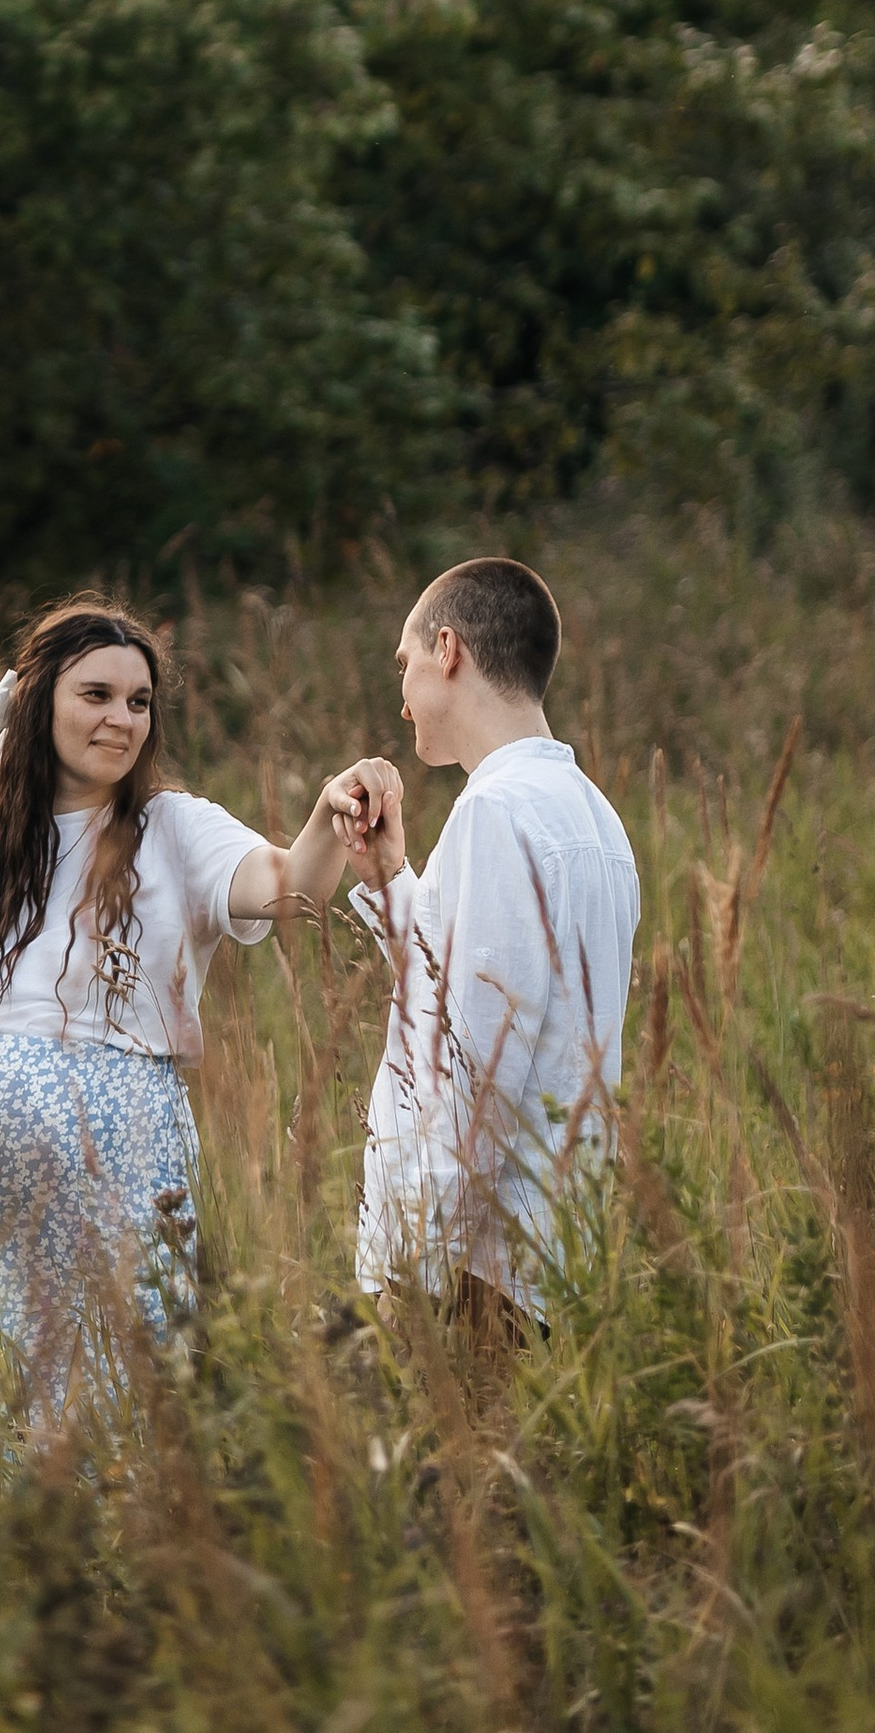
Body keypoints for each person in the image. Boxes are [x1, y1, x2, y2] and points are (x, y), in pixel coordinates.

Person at [0, 596, 364, 1439]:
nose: (121, 719)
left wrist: (329, 811)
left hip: (120, 1201)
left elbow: (291, 885)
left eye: (138, 702)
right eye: (96, 695)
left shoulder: (173, 829)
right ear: (38, 702)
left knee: (107, 1419)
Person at [329, 555, 638, 1338]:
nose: (401, 698)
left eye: (404, 665)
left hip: (479, 1276)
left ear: (448, 649)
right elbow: (472, 990)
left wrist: (408, 1277)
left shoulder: (496, 811)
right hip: (555, 1253)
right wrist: (393, 878)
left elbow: (473, 1074)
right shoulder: (592, 816)